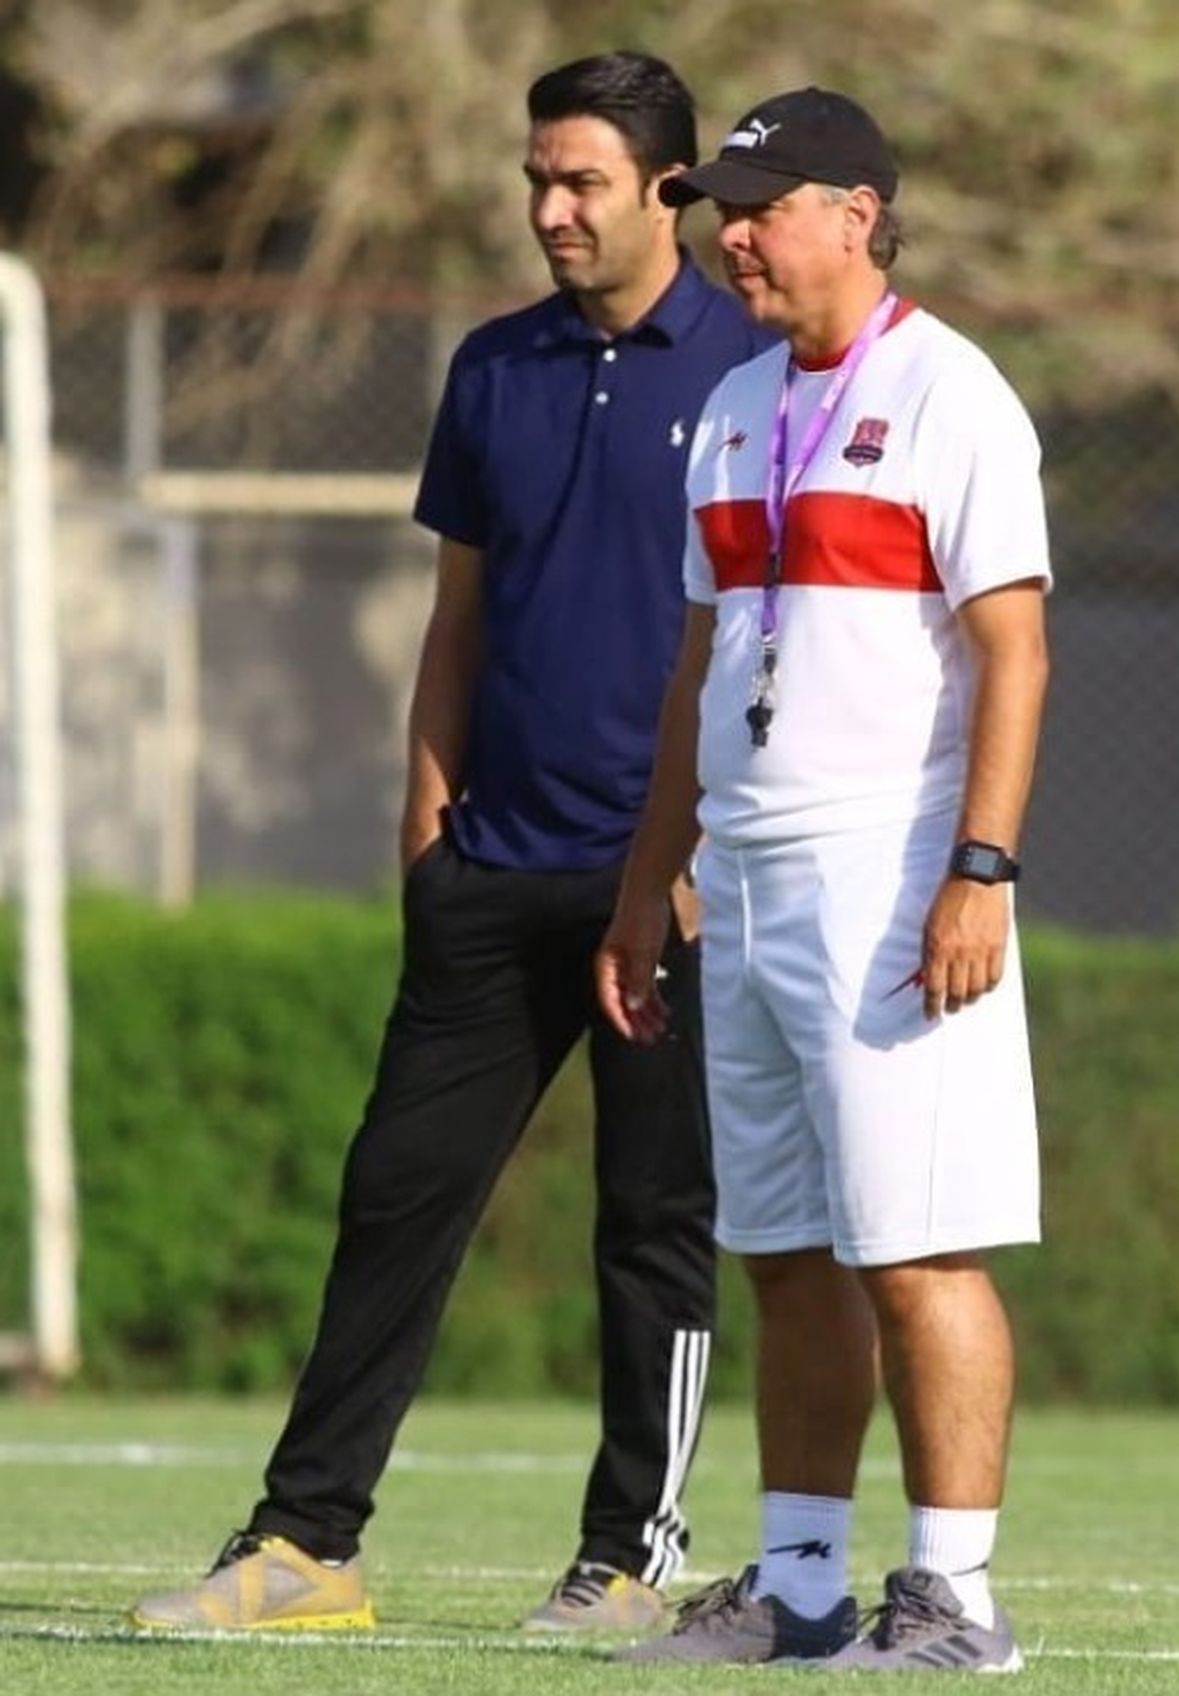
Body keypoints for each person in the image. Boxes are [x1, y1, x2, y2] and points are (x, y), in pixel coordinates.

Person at [130, 51, 771, 1636]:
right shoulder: (492, 367)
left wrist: (709, 848)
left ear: (672, 194)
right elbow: (459, 619)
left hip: (674, 888)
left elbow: (778, 637)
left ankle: (634, 1558)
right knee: (395, 1197)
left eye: (583, 184)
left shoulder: (757, 375)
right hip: (491, 867)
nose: (550, 209)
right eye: (536, 180)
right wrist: (428, 823)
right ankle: (306, 1548)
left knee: (653, 1224)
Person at [595, 86, 1051, 1673]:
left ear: (856, 213)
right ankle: (800, 1584)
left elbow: (1015, 649)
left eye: (765, 203)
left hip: (894, 866)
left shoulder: (952, 394)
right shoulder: (731, 408)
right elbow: (701, 664)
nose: (733, 231)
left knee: (918, 1247)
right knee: (787, 1251)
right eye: (722, 203)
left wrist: (979, 869)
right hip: (750, 874)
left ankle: (957, 1606)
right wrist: (652, 879)